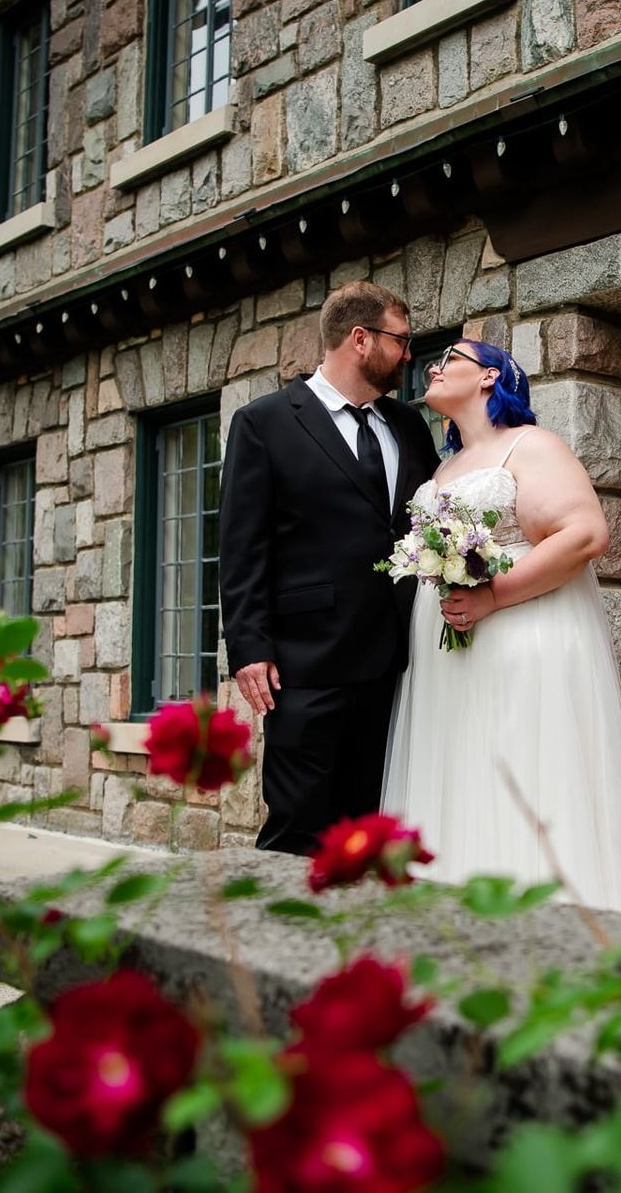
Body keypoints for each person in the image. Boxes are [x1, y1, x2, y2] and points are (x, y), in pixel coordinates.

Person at [380, 340, 621, 917]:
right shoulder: (445, 466)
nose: (434, 368)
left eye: (451, 359)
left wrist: (492, 595)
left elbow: (585, 534)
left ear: (491, 376)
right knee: (461, 780)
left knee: (516, 772)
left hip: (515, 640)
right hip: (449, 658)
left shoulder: (531, 445)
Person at [218, 282, 441, 855]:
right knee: (300, 825)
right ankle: (281, 943)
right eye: (401, 340)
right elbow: (243, 547)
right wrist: (248, 647)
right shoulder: (263, 423)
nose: (408, 354)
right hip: (305, 663)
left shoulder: (408, 426)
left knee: (370, 825)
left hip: (394, 663)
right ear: (360, 339)